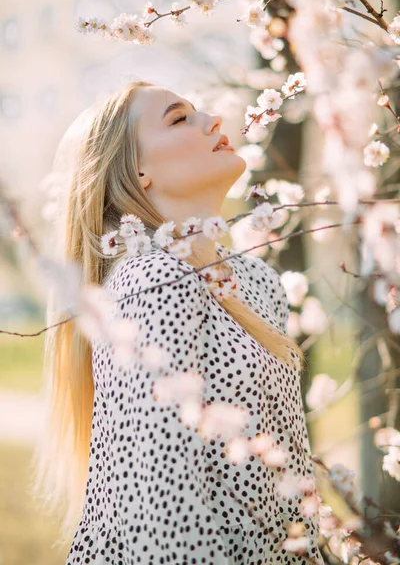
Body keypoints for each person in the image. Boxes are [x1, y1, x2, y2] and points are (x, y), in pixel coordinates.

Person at [32, 80, 324, 564]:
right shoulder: (153, 281)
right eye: (178, 117)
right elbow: (161, 509)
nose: (213, 121)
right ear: (137, 171)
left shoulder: (257, 280)